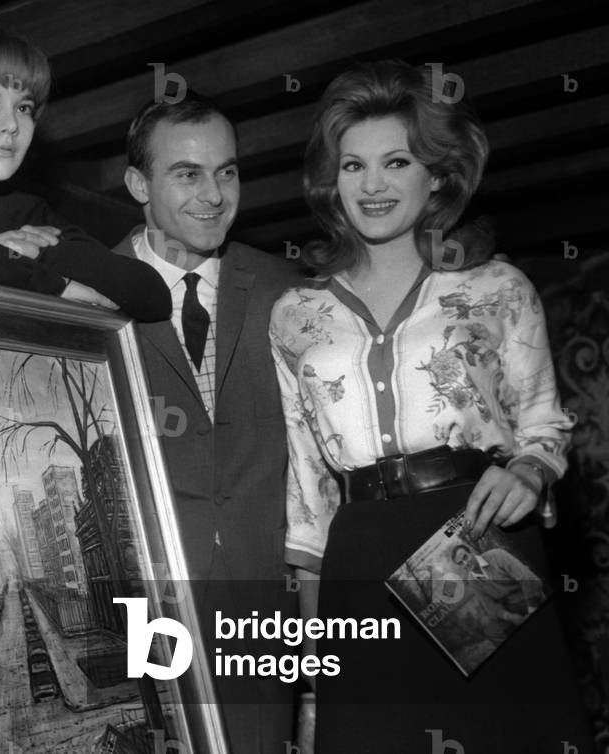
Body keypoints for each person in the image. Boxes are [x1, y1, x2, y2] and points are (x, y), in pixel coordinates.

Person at [269, 60, 594, 752]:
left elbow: (543, 427)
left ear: (438, 174)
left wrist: (529, 473)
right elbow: (306, 501)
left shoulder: (496, 287)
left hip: (476, 536)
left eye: (396, 161)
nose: (373, 184)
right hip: (357, 553)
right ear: (333, 181)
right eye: (353, 166)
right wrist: (313, 678)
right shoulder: (295, 313)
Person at [115, 92, 303, 752]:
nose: (214, 194)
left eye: (227, 172)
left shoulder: (288, 288)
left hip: (264, 592)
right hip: (149, 601)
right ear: (139, 183)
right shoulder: (86, 294)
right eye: (187, 173)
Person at [0, 15, 171, 322]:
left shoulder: (27, 215)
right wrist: (50, 282)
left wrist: (37, 253)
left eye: (23, 107)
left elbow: (152, 294)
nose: (11, 125)